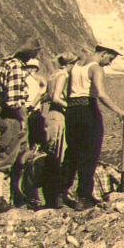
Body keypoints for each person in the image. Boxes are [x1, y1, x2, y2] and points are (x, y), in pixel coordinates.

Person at [61, 45, 124, 211]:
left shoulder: (76, 66)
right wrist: (120, 111)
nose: (109, 63)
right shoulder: (96, 68)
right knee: (90, 153)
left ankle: (61, 191)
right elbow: (100, 93)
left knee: (72, 152)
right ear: (104, 53)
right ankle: (84, 195)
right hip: (88, 110)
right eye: (110, 59)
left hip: (72, 111)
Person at [0, 38, 42, 213]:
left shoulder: (6, 63)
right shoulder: (17, 67)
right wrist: (22, 120)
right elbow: (13, 101)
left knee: (19, 155)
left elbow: (0, 91)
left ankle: (17, 194)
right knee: (7, 156)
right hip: (13, 116)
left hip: (5, 113)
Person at [41, 51, 79, 209]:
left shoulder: (53, 75)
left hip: (50, 115)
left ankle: (50, 196)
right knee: (58, 157)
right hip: (58, 116)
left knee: (51, 155)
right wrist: (71, 107)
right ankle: (56, 197)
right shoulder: (63, 75)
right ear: (71, 64)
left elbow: (46, 96)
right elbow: (57, 97)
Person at [24, 58, 47, 150]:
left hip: (32, 107)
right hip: (31, 106)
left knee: (32, 130)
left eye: (32, 67)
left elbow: (43, 90)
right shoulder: (37, 78)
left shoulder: (37, 78)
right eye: (29, 67)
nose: (30, 69)